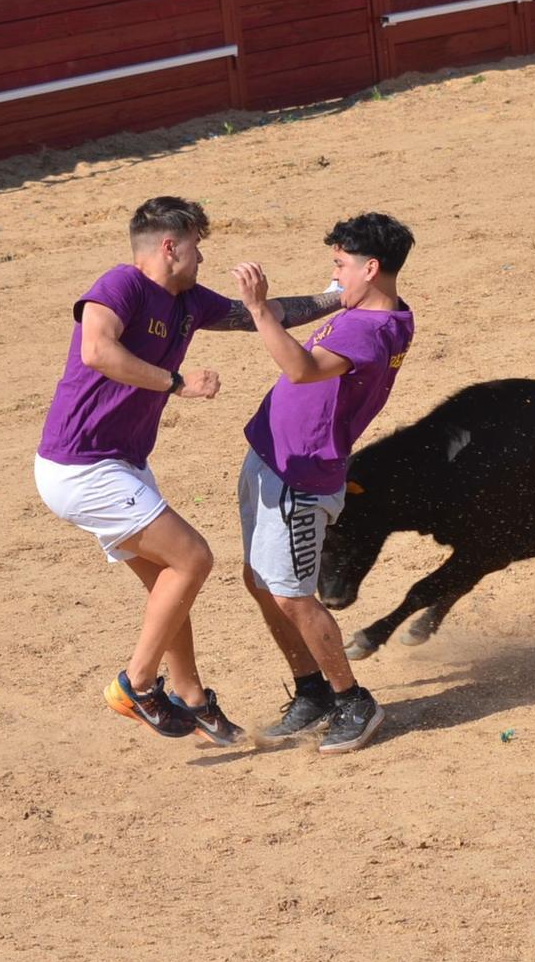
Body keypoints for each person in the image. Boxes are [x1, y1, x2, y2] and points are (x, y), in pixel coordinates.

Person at [34, 197, 344, 747]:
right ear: (169, 246)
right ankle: (136, 683)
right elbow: (97, 352)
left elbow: (264, 316)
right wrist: (176, 383)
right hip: (82, 466)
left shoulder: (188, 301)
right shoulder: (120, 285)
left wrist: (337, 296)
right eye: (197, 246)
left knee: (166, 584)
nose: (202, 257)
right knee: (195, 557)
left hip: (120, 465)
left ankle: (191, 698)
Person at [234, 213, 416, 754]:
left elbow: (301, 369)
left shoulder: (368, 328)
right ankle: (312, 691)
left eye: (340, 265)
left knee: (292, 594)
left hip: (300, 474)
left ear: (372, 267)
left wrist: (260, 310)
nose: (333, 276)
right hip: (274, 456)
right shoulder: (378, 312)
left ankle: (353, 700)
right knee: (261, 581)